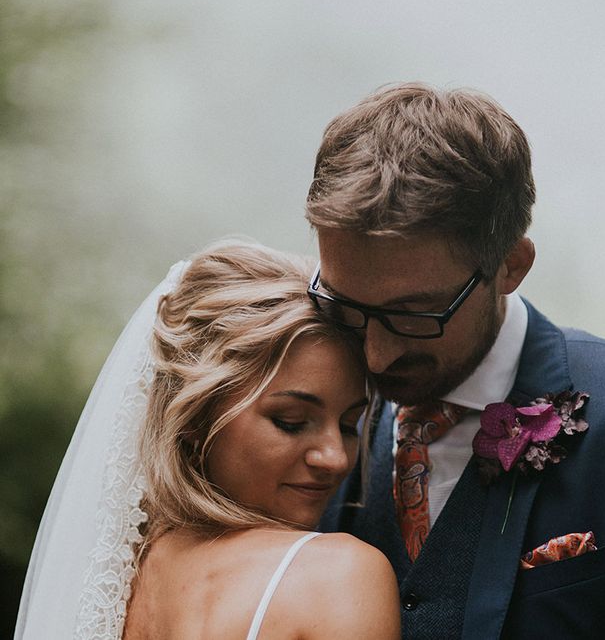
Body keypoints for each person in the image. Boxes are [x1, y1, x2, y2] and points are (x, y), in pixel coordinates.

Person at [305, 83, 605, 639]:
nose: (375, 355)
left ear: (512, 265)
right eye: (346, 305)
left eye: (416, 313)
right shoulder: (317, 425)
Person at [15, 240, 400, 640]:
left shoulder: (103, 578)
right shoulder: (336, 578)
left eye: (350, 425)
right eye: (291, 421)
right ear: (195, 418)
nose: (335, 458)